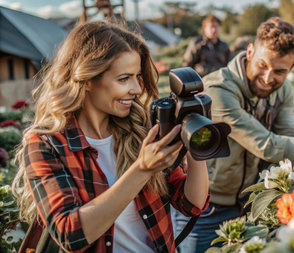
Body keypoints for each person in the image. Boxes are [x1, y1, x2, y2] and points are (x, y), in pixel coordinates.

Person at [12, 21, 209, 253]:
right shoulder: (46, 144)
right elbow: (69, 234)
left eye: (137, 76)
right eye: (124, 78)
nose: (136, 89)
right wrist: (142, 169)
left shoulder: (141, 128)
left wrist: (197, 138)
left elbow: (191, 203)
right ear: (86, 80)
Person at [173, 17, 294, 253]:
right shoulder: (219, 89)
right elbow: (268, 146)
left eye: (279, 71)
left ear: (291, 69)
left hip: (246, 204)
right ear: (250, 51)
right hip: (204, 207)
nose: (268, 78)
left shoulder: (282, 89)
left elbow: (289, 135)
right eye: (263, 65)